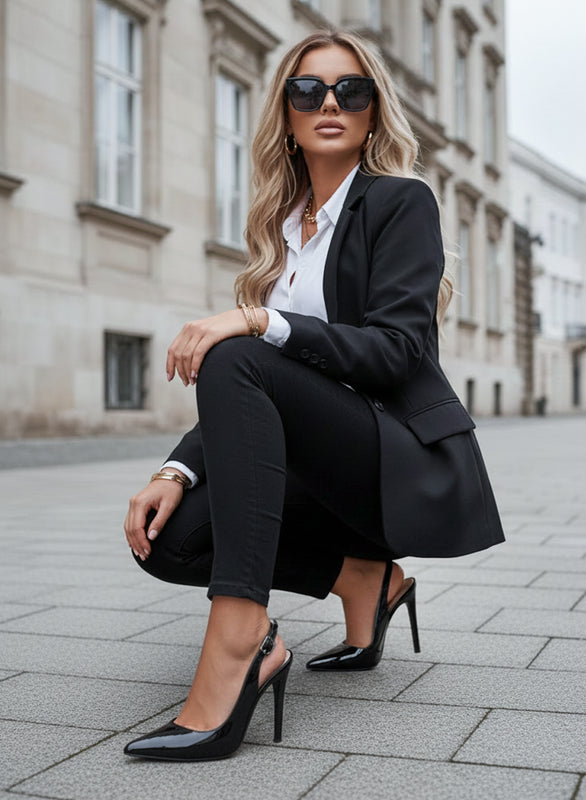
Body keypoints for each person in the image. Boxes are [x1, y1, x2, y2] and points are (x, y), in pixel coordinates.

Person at [123, 29, 505, 762]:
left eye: (350, 90)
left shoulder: (400, 202)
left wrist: (258, 320)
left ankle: (241, 641)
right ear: (288, 115)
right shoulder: (278, 230)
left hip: (392, 456)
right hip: (315, 462)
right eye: (309, 90)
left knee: (238, 348)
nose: (330, 103)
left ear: (373, 112)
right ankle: (362, 580)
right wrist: (176, 470)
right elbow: (255, 395)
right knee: (165, 538)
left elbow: (396, 353)